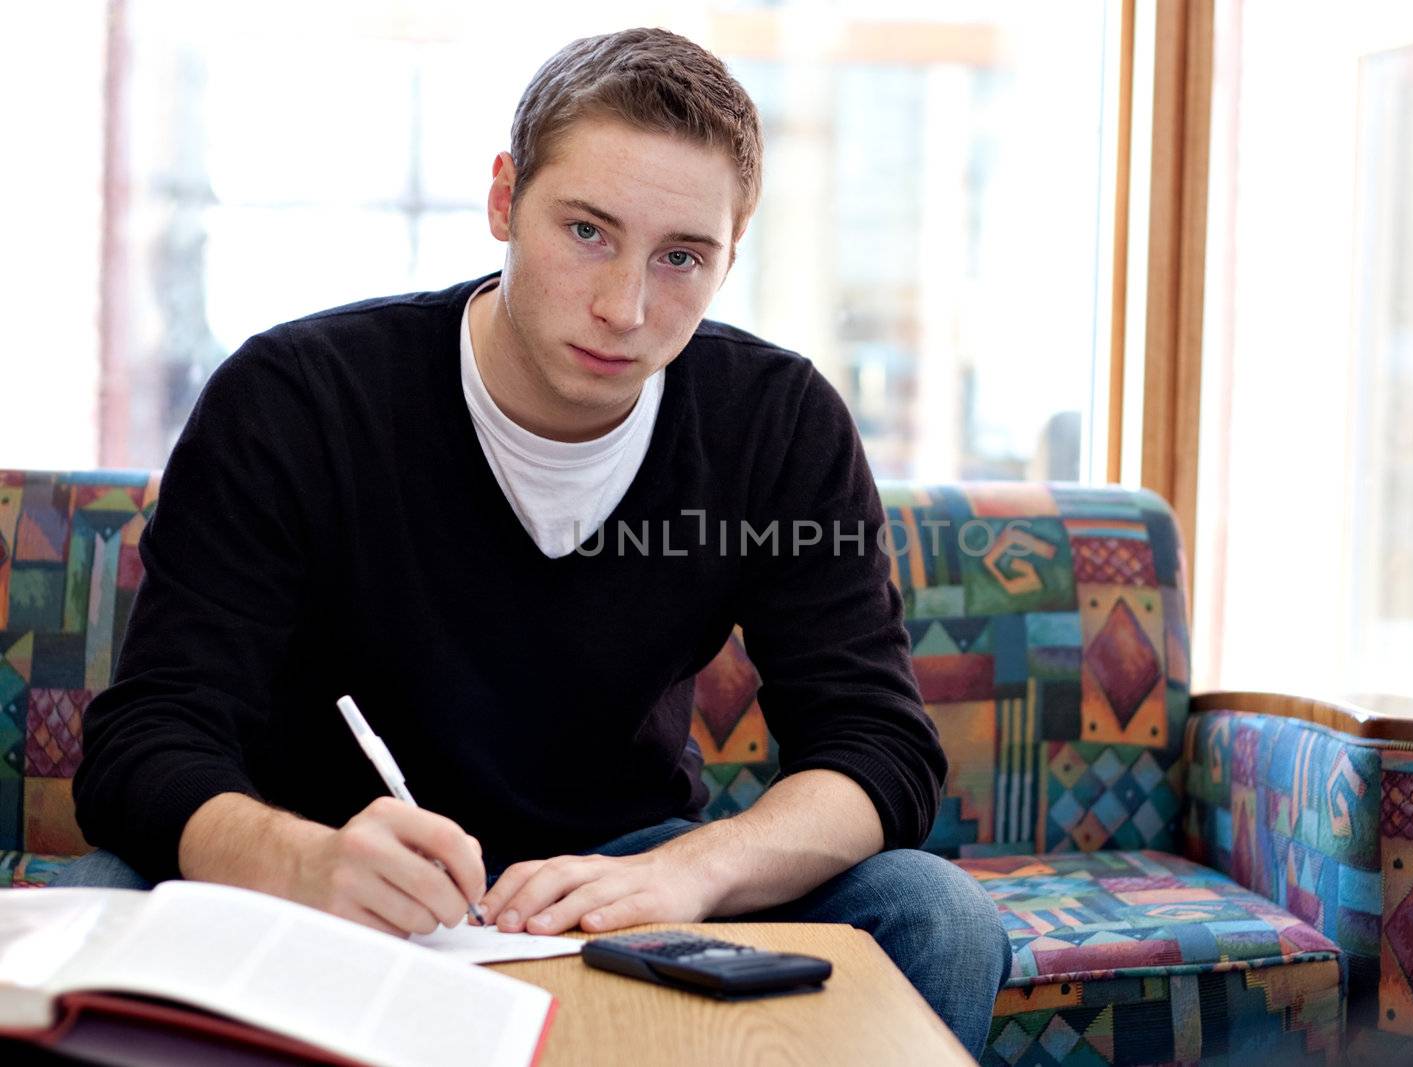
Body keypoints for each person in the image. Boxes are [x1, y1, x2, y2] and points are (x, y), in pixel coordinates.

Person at [62, 27, 1010, 1056]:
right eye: (587, 232)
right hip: (337, 866)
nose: (625, 308)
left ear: (732, 255)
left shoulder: (773, 422)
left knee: (936, 912)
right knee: (103, 897)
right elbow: (145, 738)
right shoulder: (295, 399)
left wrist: (685, 872)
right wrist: (301, 858)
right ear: (504, 198)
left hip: (624, 868)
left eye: (681, 257)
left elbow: (879, 748)